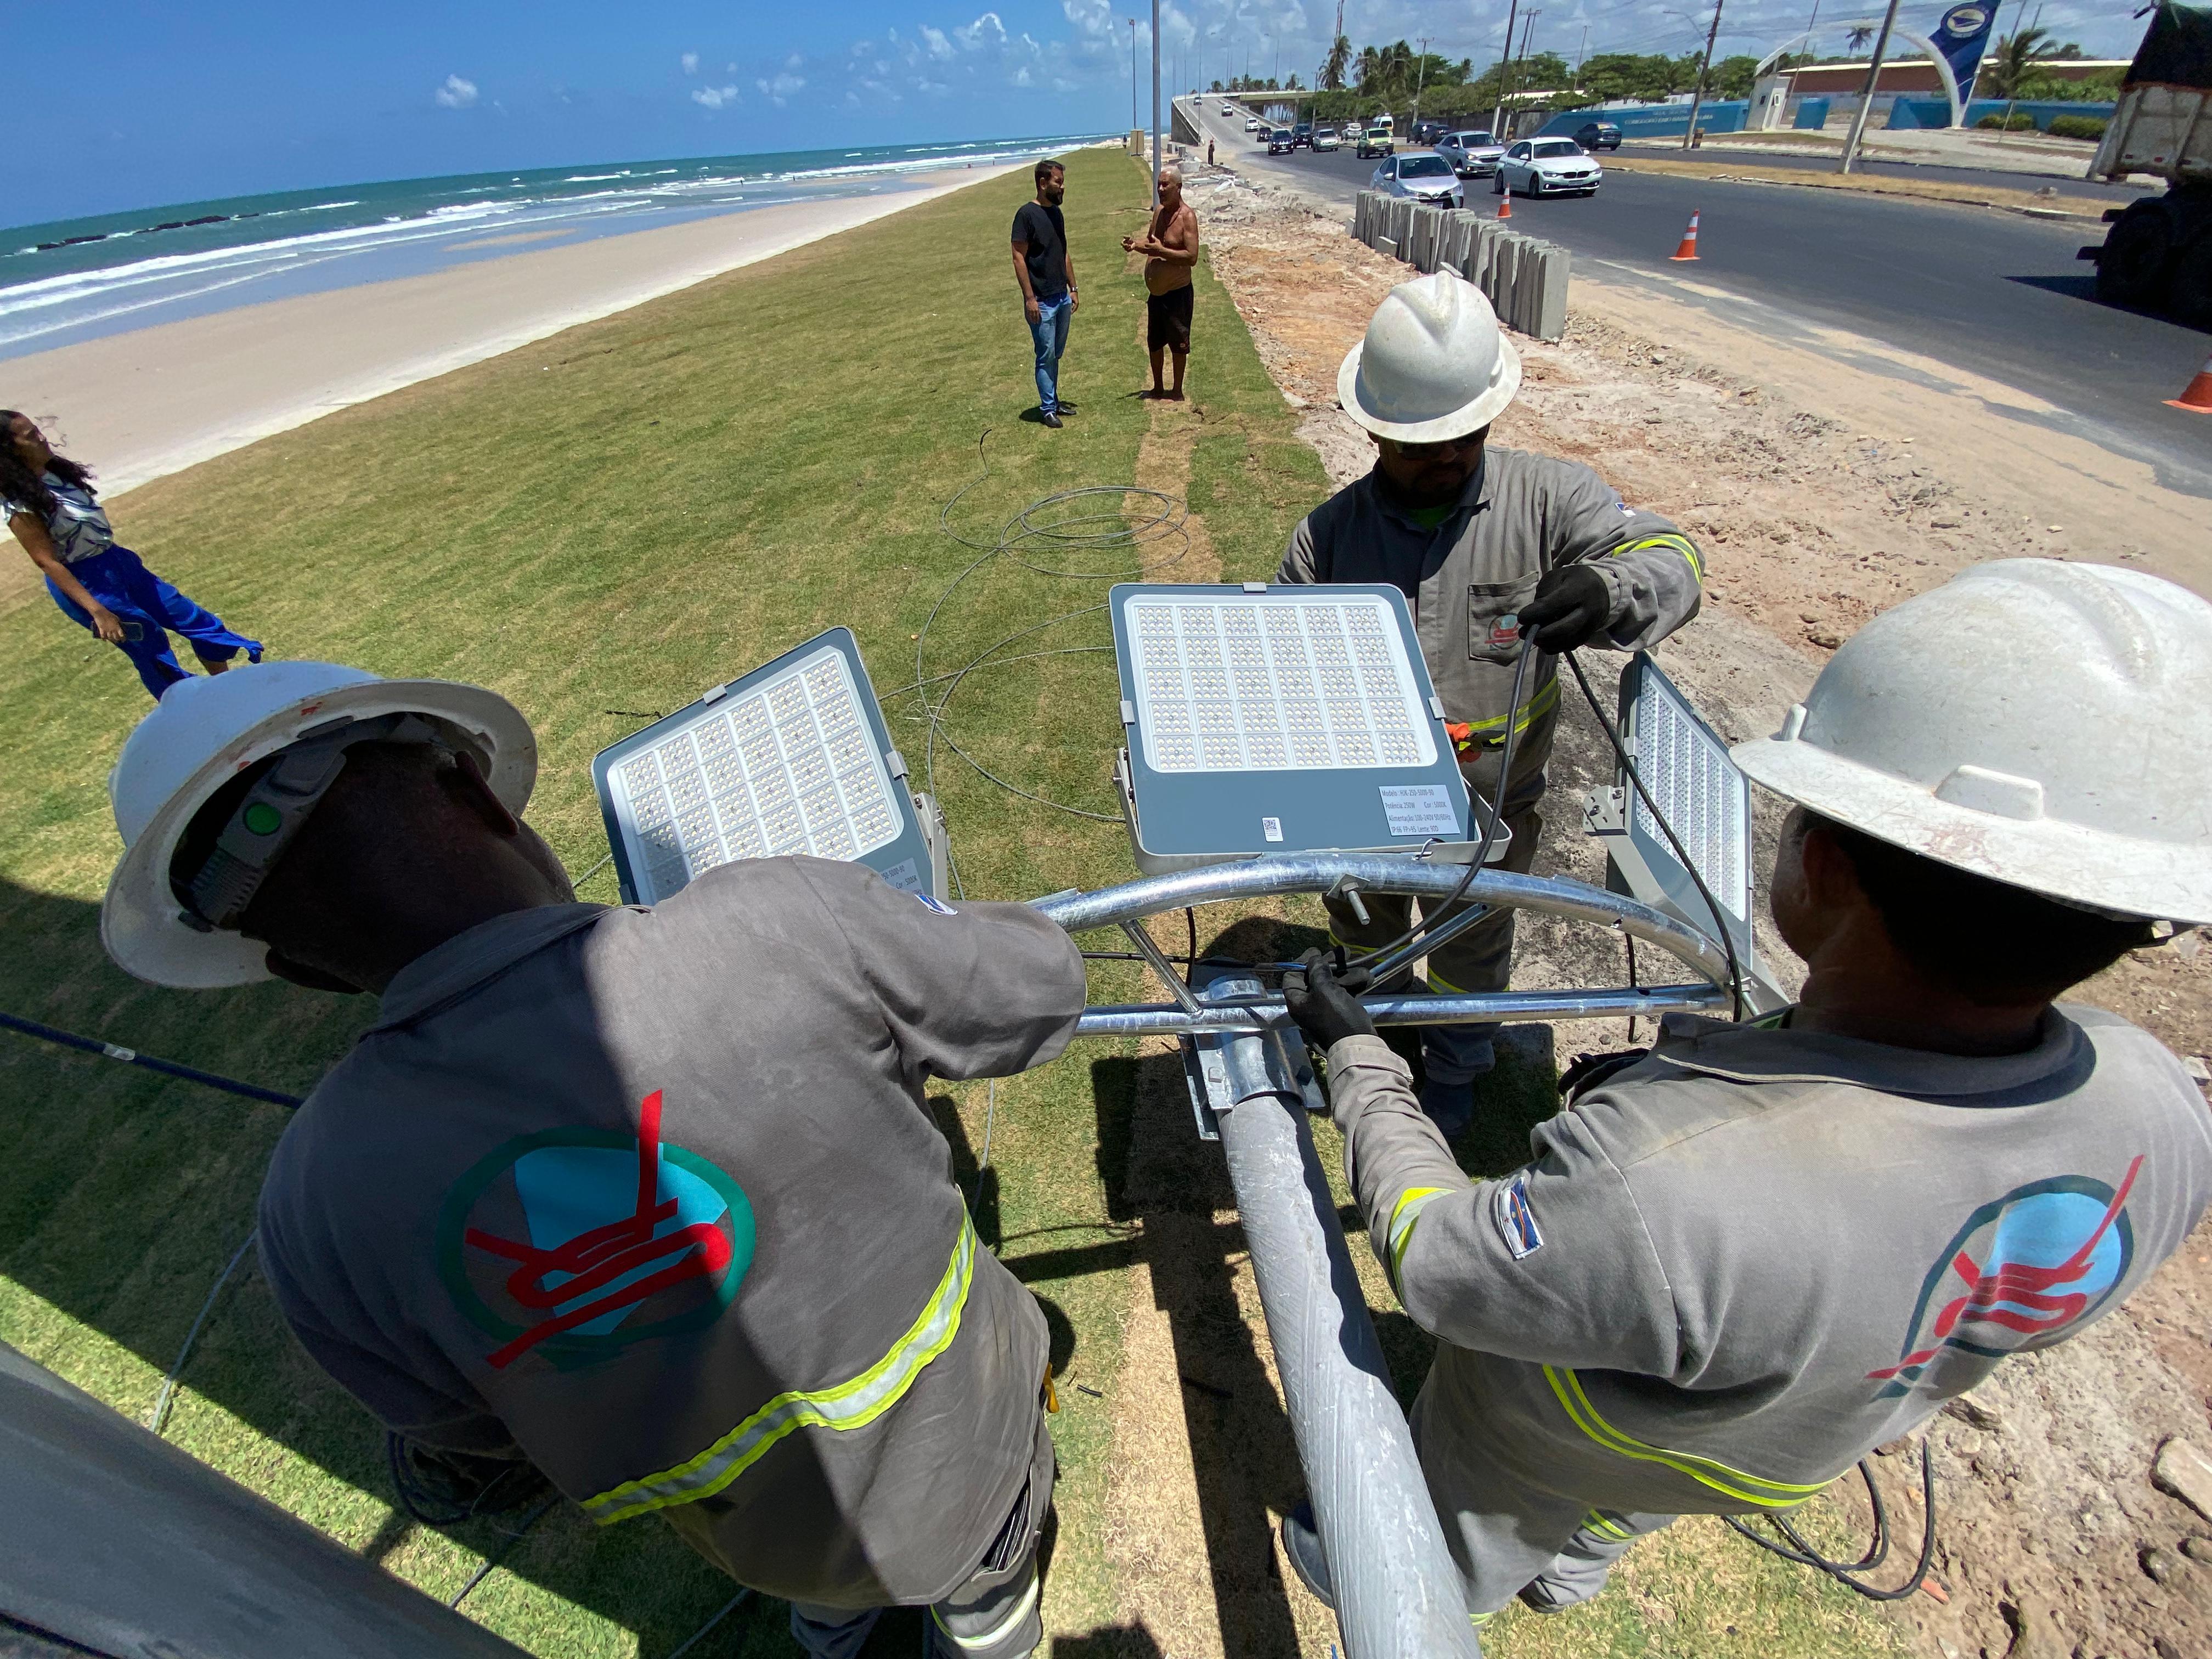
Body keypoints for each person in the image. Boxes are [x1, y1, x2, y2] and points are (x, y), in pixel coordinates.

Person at [1277, 559, 2212, 1625]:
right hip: (1791, 1444)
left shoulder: (1662, 1190)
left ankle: (1424, 1577)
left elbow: (1442, 1261)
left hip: (1578, 1423)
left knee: (1488, 1491)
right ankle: (1575, 1571)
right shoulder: (2163, 1108)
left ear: (1822, 866)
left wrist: (1359, 1063)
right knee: (1624, 1507)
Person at [98, 662, 1087, 1659]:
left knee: (831, 1598)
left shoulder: (309, 1206)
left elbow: (470, 1427)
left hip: (758, 1540)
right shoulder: (782, 920)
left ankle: (835, 1624)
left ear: (296, 968)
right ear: (477, 792)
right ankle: (987, 1624)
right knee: (982, 1594)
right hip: (973, 1471)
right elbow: (1040, 989)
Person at [1276, 273, 1702, 1137]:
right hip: (1361, 812)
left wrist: (1610, 586)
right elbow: (1282, 672)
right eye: (1420, 446)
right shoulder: (1327, 539)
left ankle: (1461, 1063)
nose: (1447, 458)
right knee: (1365, 929)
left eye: (1464, 438)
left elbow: (1674, 558)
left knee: (1472, 944)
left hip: (1495, 808)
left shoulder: (1551, 499)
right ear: (1370, 428)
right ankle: (1378, 1046)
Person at [1, 411, 262, 699]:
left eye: (37, 430)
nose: (41, 438)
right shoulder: (19, 505)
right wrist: (98, 612)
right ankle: (191, 710)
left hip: (118, 562)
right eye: (30, 437)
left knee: (194, 619)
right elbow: (46, 561)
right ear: (10, 450)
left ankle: (229, 692)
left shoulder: (56, 474)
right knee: (151, 650)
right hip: (88, 584)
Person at [1010, 158, 1079, 428]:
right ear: (1042, 183)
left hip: (1061, 297)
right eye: (1058, 182)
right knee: (1045, 354)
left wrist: (1073, 288)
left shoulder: (1056, 214)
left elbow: (1064, 253)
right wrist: (1029, 298)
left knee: (1056, 354)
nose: (1063, 188)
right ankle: (1048, 408)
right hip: (1041, 301)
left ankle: (1054, 399)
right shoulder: (1026, 215)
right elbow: (1018, 257)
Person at [1122, 166, 1199, 401]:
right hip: (1157, 295)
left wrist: (1162, 252)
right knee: (1154, 342)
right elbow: (1151, 242)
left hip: (1178, 292)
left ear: (1179, 188)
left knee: (1178, 343)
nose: (1161, 189)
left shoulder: (1187, 217)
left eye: (1166, 185)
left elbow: (1192, 257)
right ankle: (1157, 388)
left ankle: (1177, 391)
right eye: (1159, 184)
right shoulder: (1159, 213)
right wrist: (1135, 245)